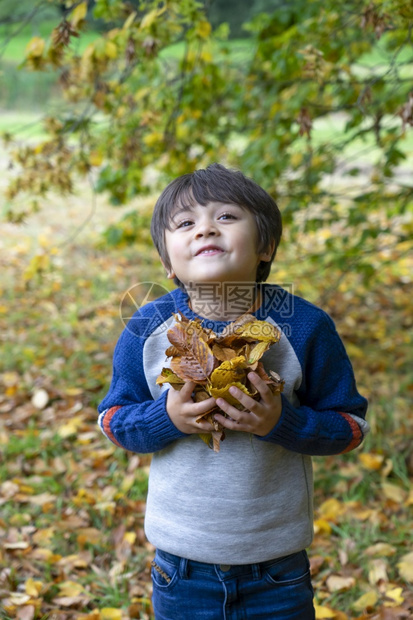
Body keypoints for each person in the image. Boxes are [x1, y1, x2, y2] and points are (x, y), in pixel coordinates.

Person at [98, 163, 369, 619]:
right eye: (185, 223)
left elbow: (351, 426)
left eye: (225, 217)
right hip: (180, 568)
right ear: (166, 261)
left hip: (278, 569)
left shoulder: (303, 327)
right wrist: (167, 419)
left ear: (266, 246)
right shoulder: (148, 328)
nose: (205, 228)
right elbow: (111, 420)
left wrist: (283, 423)